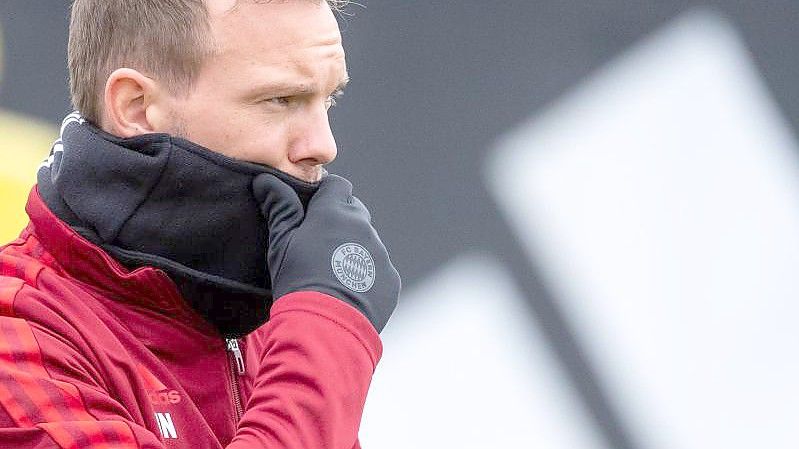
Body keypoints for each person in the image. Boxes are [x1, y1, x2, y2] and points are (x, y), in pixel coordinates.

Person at [0, 1, 401, 448]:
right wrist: (328, 331)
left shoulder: (272, 315)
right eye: (280, 99)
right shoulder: (18, 339)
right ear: (136, 107)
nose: (323, 146)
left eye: (328, 99)